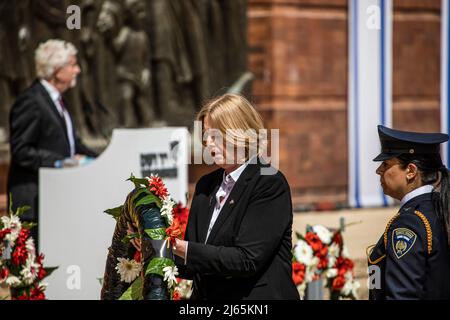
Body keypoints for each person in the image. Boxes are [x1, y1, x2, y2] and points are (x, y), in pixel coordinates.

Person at [171, 93, 299, 300]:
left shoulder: (269, 182)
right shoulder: (206, 185)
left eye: (216, 136)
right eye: (206, 136)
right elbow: (192, 264)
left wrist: (181, 248)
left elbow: (247, 260)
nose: (209, 144)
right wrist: (157, 245)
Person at [7, 39, 97, 248]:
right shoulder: (31, 101)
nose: (78, 69)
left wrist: (104, 159)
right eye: (72, 64)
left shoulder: (58, 101)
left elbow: (74, 145)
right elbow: (21, 151)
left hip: (55, 200)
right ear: (57, 70)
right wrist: (61, 162)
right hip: (34, 204)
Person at [368, 125, 450, 299]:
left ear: (411, 171)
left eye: (386, 164)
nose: (378, 170)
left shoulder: (409, 223)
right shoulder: (438, 208)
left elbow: (402, 294)